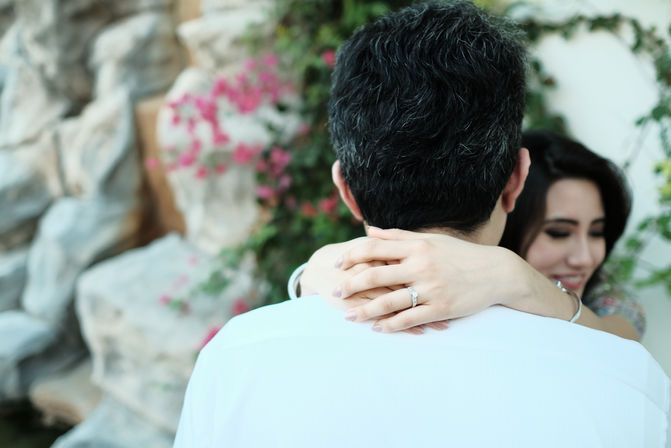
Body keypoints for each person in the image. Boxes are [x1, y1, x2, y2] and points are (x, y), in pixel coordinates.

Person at [174, 3, 670, 447]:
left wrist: (310, 276)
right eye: (560, 231)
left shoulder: (236, 358)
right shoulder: (624, 380)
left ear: (346, 189)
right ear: (517, 180)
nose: (582, 254)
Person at [297, 130, 646, 341]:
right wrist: (306, 277)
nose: (584, 257)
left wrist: (520, 279)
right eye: (558, 233)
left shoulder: (608, 299)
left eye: (597, 232)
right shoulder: (440, 280)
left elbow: (620, 341)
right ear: (509, 201)